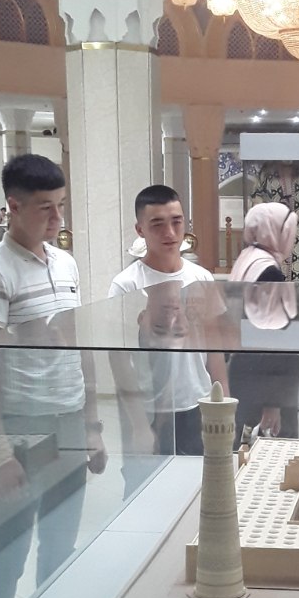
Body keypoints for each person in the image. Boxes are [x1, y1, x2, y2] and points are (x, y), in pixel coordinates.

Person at [0, 154, 106, 598]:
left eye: (61, 205)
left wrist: (92, 424)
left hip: (68, 418)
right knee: (9, 548)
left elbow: (80, 345)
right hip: (24, 425)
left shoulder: (65, 262)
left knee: (60, 544)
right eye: (46, 207)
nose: (57, 217)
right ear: (14, 206)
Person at [108, 184, 228, 475]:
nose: (170, 233)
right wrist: (139, 424)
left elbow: (214, 347)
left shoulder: (201, 277)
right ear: (140, 230)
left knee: (199, 484)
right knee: (144, 486)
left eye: (176, 222)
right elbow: (119, 360)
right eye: (158, 224)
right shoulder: (126, 284)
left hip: (197, 403)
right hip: (149, 408)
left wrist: (223, 404)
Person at [228, 201, 299, 450]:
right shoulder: (268, 271)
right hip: (266, 380)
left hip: (246, 372)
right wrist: (273, 402)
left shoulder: (248, 258)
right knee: (276, 454)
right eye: (287, 231)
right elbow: (271, 341)